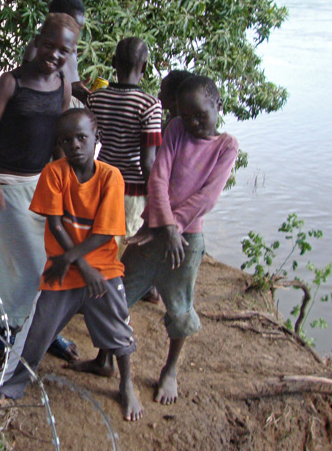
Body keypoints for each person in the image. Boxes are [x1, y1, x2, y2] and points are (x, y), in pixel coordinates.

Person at [85, 75, 238, 405]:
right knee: (117, 294)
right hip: (152, 232)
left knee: (179, 308)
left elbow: (207, 198)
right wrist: (162, 225)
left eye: (201, 115)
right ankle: (105, 358)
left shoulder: (226, 146)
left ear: (218, 107)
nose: (194, 122)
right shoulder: (175, 130)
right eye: (186, 115)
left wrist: (173, 227)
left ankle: (169, 370)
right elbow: (159, 176)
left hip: (186, 243)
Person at [0, 109, 143, 422]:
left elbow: (104, 233)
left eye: (82, 137)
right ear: (58, 143)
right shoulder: (55, 173)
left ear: (96, 138)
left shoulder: (110, 176)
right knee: (39, 329)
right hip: (64, 266)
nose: (75, 145)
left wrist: (76, 262)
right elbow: (56, 225)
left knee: (118, 324)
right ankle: (13, 384)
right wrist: (78, 266)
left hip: (98, 267)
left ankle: (127, 384)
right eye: (66, 140)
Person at [0, 13, 79, 366]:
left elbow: (59, 142)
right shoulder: (10, 84)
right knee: (29, 267)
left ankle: (36, 329)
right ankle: (7, 329)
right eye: (49, 45)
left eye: (64, 49)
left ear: (72, 52)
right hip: (6, 186)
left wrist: (66, 185)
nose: (54, 54)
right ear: (37, 41)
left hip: (42, 185)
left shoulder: (64, 85)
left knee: (49, 262)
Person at [85, 37, 162, 242]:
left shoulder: (96, 98)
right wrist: (158, 201)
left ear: (113, 62)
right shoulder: (150, 105)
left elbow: (89, 146)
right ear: (144, 66)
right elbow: (148, 162)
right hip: (133, 191)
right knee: (123, 249)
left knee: (98, 245)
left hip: (101, 182)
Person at [22, 0, 90, 105]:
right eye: (73, 26)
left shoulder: (71, 48)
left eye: (79, 29)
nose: (76, 34)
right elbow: (26, 89)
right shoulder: (37, 48)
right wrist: (70, 89)